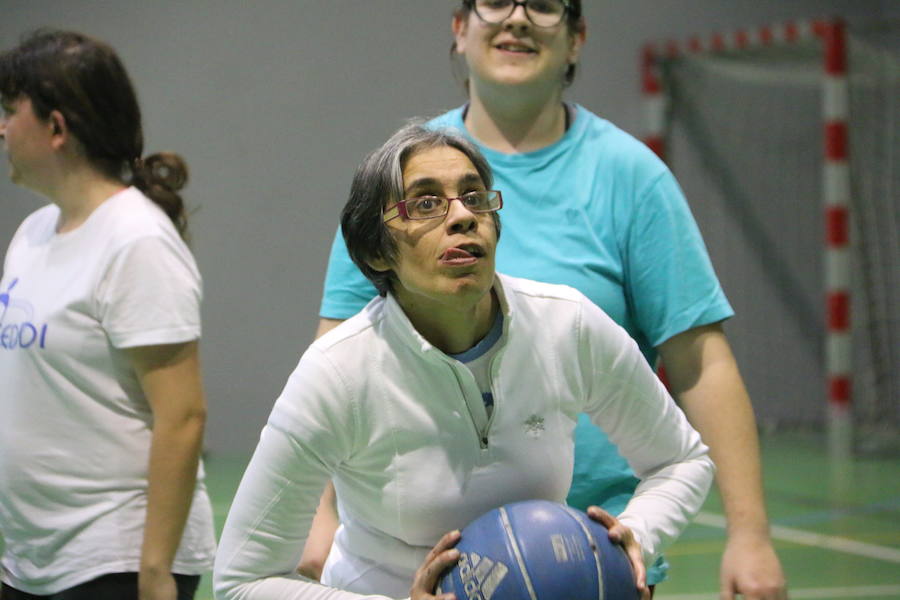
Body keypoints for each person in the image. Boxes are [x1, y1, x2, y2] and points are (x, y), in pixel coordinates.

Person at [314, 2, 787, 599]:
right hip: (430, 568)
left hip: (605, 559)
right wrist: (319, 511)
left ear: (576, 40)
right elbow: (336, 360)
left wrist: (751, 534)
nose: (516, 19)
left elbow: (701, 362)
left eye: (541, 5)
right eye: (494, 2)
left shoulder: (631, 177)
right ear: (460, 29)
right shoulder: (402, 176)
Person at [213, 123, 713, 600]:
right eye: (426, 203)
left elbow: (681, 459)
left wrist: (631, 542)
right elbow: (242, 581)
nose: (461, 216)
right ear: (376, 250)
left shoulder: (568, 324)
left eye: (474, 197)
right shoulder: (337, 372)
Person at [0, 30, 216, 600]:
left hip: (113, 562)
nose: (0, 129)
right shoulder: (31, 234)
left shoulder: (137, 240)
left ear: (55, 128)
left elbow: (184, 416)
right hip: (29, 560)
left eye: (9, 111)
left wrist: (154, 571)